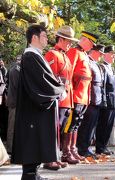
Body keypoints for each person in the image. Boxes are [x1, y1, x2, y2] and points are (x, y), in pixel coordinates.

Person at [11, 24, 65, 180]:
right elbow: (42, 82)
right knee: (32, 141)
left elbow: (45, 79)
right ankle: (29, 175)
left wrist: (57, 87)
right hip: (32, 109)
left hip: (35, 108)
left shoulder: (36, 55)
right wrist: (60, 89)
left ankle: (34, 173)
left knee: (35, 141)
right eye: (44, 36)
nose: (47, 39)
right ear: (34, 37)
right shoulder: (30, 56)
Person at [44, 26, 79, 170]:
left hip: (66, 99)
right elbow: (50, 77)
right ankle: (48, 159)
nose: (70, 44)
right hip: (58, 98)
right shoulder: (52, 54)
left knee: (61, 129)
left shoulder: (64, 55)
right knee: (53, 129)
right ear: (61, 39)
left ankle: (56, 157)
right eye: (68, 41)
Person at [67, 31, 99, 159]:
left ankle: (73, 149)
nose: (92, 47)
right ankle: (67, 151)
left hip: (83, 96)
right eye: (91, 43)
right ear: (85, 40)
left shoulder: (84, 55)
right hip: (75, 95)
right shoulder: (74, 52)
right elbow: (69, 74)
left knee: (76, 124)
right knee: (70, 125)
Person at [77, 44, 105, 158]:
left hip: (97, 99)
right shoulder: (88, 62)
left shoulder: (96, 64)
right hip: (90, 98)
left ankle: (86, 147)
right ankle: (82, 149)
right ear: (94, 51)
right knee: (86, 126)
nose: (101, 56)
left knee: (92, 126)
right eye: (100, 53)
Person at [95, 45, 115, 155]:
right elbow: (103, 86)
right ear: (106, 54)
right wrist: (103, 100)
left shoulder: (111, 68)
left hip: (113, 100)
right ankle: (100, 147)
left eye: (114, 54)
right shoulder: (102, 67)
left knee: (109, 125)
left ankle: (104, 146)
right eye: (112, 54)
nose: (114, 56)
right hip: (106, 100)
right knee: (103, 125)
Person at [6, 55, 21, 154]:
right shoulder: (15, 70)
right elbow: (18, 86)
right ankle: (10, 149)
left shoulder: (17, 69)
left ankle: (14, 148)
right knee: (12, 127)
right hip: (14, 102)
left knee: (15, 126)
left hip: (16, 102)